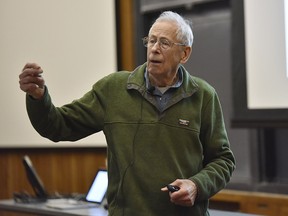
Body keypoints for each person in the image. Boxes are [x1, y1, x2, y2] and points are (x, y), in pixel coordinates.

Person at [19, 11, 235, 216]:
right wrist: (38, 98)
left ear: (185, 53)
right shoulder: (113, 89)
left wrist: (197, 186)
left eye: (164, 43)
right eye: (151, 40)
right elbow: (57, 125)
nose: (154, 49)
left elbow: (223, 160)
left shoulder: (203, 96)